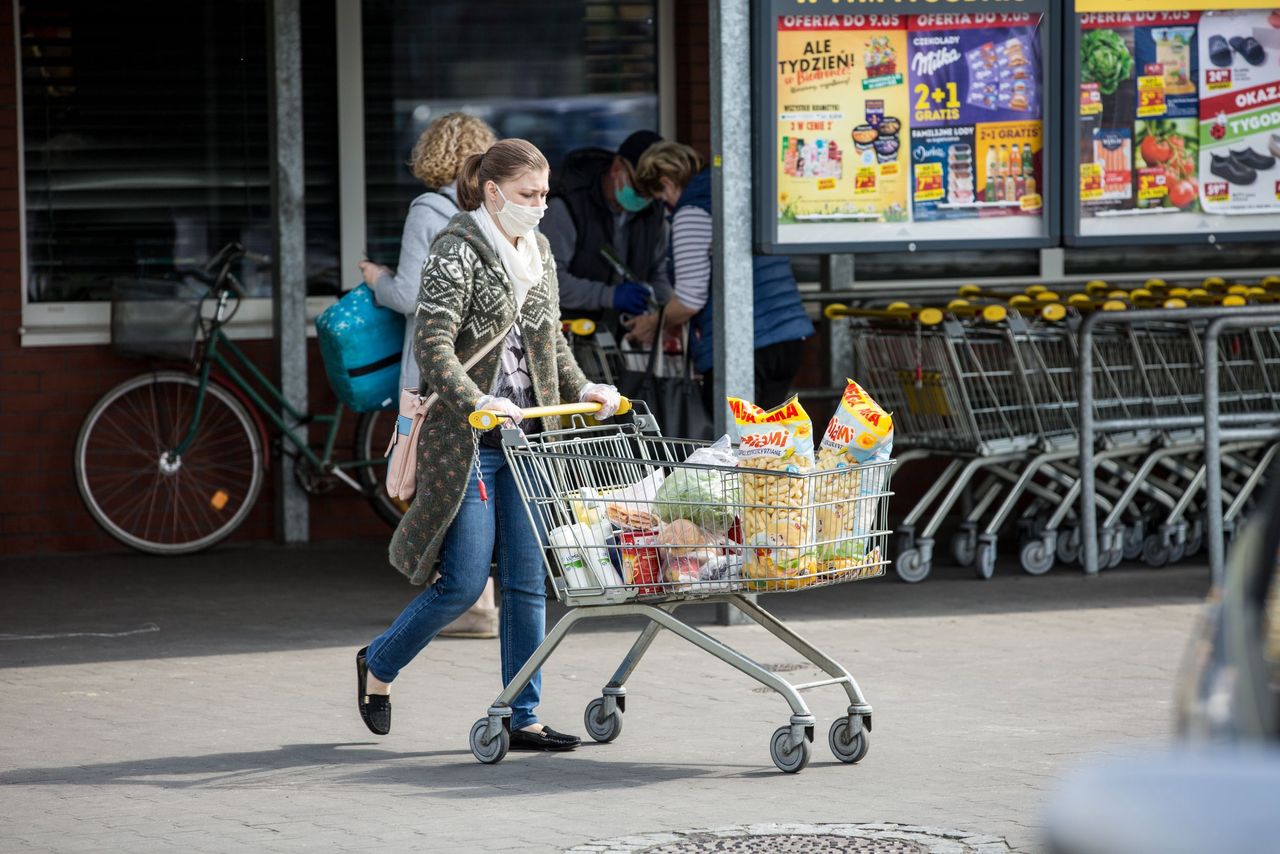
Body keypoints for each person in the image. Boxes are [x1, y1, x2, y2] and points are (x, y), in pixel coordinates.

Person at [355, 139, 622, 752]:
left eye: (546, 194)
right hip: (469, 440)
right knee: (464, 581)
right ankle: (379, 664)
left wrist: (588, 388)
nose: (541, 205)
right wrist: (476, 401)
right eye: (529, 195)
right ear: (494, 191)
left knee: (528, 584)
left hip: (528, 440)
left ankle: (520, 715)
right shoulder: (457, 249)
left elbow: (548, 340)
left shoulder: (541, 250)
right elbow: (433, 346)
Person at [357, 112, 500, 640]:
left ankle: (470, 600)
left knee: (435, 476)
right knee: (475, 477)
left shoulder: (427, 208)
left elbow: (412, 293)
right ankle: (479, 595)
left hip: (435, 367)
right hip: (484, 364)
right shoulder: (491, 207)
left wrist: (376, 278)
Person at [627, 141, 814, 413]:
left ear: (666, 183)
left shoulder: (692, 211)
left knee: (736, 443)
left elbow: (690, 299)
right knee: (766, 442)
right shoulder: (737, 193)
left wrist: (653, 323)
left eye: (659, 198)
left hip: (747, 345)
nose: (664, 207)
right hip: (789, 336)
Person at [541, 129, 672, 320]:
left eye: (650, 194)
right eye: (638, 188)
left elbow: (662, 275)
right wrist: (608, 296)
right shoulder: (566, 207)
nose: (643, 198)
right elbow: (550, 282)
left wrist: (654, 296)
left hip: (629, 335)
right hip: (573, 334)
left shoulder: (653, 215)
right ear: (617, 167)